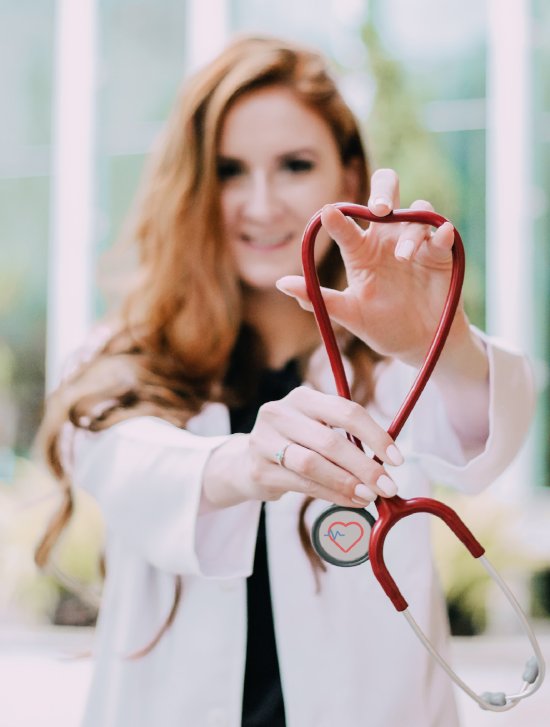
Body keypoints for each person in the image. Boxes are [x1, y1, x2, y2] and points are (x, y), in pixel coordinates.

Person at [37, 34, 534, 727]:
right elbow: (131, 469)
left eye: (295, 165)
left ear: (349, 179)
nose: (261, 203)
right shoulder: (120, 362)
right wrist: (247, 460)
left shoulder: (391, 375)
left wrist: (438, 340)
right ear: (191, 187)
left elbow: (487, 437)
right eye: (229, 170)